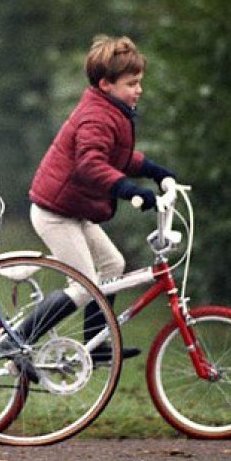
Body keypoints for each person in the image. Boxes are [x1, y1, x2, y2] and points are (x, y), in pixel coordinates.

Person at [26, 35, 177, 361]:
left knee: (113, 265)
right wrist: (130, 190)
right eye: (132, 83)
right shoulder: (97, 115)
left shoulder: (112, 110)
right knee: (84, 286)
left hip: (74, 209)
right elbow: (91, 165)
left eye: (140, 82)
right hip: (55, 213)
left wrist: (153, 170)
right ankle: (19, 341)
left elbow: (117, 156)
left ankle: (95, 346)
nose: (139, 90)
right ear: (106, 84)